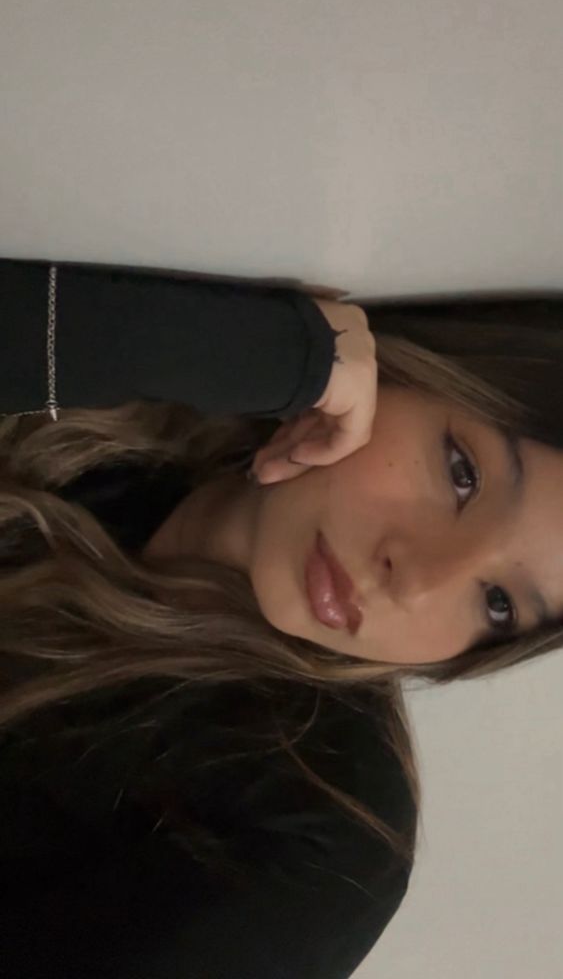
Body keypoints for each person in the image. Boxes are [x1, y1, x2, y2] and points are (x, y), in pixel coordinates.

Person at [0, 257, 561, 977]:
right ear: (392, 369)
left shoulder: (322, 837)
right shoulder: (123, 427)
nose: (418, 580)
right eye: (462, 474)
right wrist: (264, 352)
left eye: (497, 604)